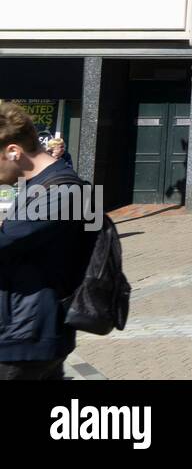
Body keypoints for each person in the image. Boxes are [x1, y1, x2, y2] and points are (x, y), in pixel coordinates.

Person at [0, 102, 97, 380]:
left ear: (13, 151)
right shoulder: (42, 185)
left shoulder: (64, 190)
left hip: (27, 336)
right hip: (24, 330)